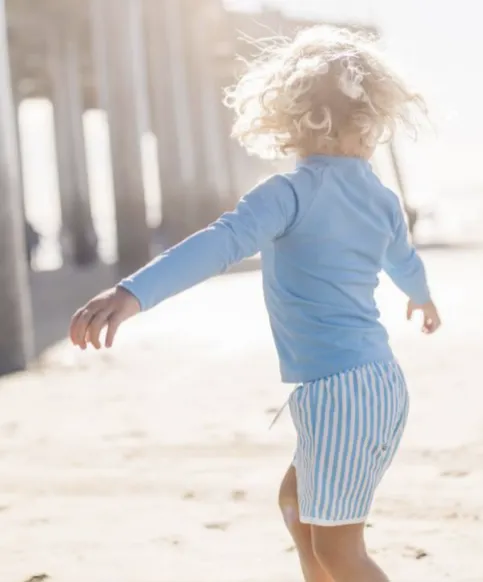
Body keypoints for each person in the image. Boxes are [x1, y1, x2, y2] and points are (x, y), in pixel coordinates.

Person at [69, 26, 441, 582]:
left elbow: (218, 244)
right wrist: (422, 298)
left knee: (341, 549)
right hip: (373, 384)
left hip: (342, 392)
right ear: (371, 122)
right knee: (295, 508)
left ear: (293, 122)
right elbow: (405, 262)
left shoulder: (288, 193)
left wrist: (133, 293)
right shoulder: (381, 198)